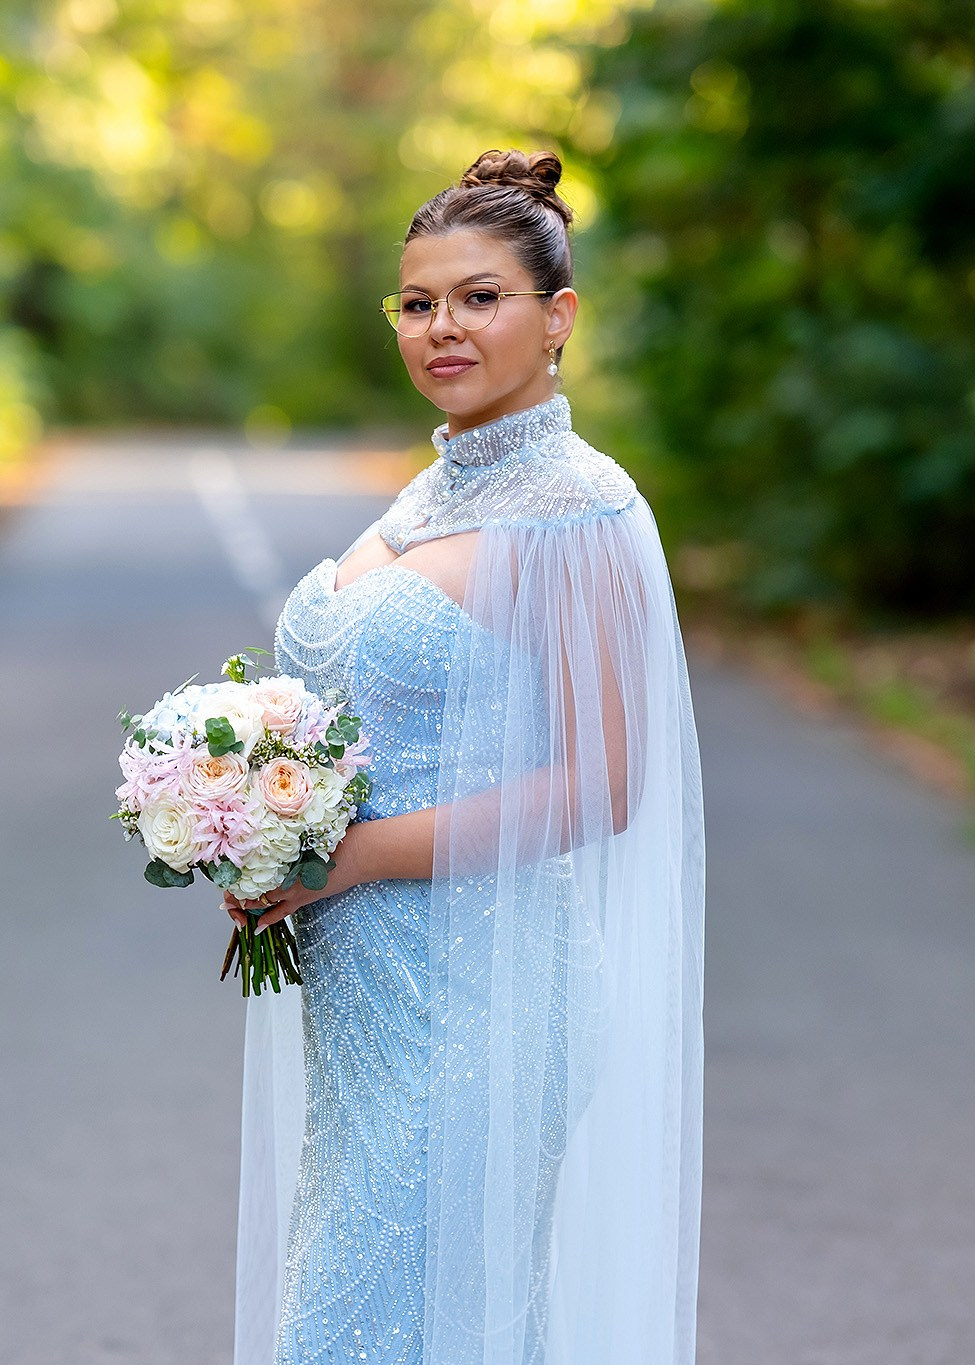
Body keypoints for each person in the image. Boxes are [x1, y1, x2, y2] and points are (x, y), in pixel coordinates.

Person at [223, 148, 706, 1365]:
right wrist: (256, 829)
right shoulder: (424, 499)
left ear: (557, 317)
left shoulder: (581, 510)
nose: (441, 327)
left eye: (479, 297)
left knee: (349, 1335)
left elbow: (603, 784)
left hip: (488, 1005)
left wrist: (343, 859)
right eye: (417, 302)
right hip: (367, 998)